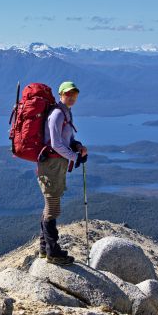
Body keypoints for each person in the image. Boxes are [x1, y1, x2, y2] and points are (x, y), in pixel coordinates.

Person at [37, 81, 88, 265]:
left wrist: (77, 145)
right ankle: (53, 252)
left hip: (56, 164)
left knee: (51, 204)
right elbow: (55, 144)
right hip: (51, 165)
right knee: (53, 206)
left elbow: (67, 138)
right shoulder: (57, 114)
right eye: (68, 94)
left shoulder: (66, 112)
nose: (72, 97)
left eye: (74, 94)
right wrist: (74, 157)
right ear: (61, 94)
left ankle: (45, 249)